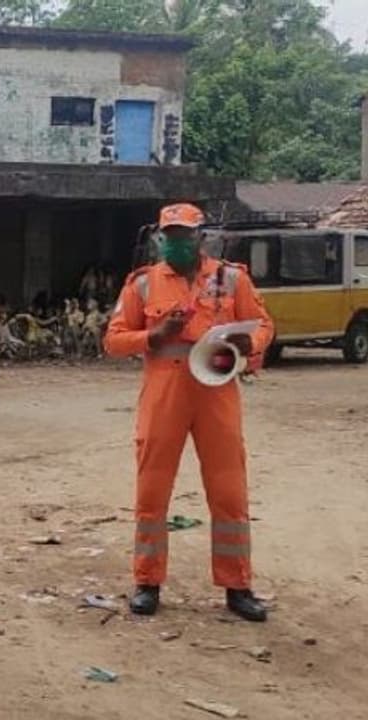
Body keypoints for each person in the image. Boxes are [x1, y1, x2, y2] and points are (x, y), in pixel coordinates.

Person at [104, 203, 274, 622]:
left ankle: (237, 585)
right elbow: (113, 340)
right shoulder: (143, 285)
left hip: (217, 393)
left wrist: (249, 344)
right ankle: (147, 582)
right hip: (165, 394)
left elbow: (264, 325)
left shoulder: (231, 279)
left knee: (229, 492)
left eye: (185, 236)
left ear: (201, 237)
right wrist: (154, 335)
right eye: (170, 237)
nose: (177, 244)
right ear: (161, 239)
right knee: (152, 492)